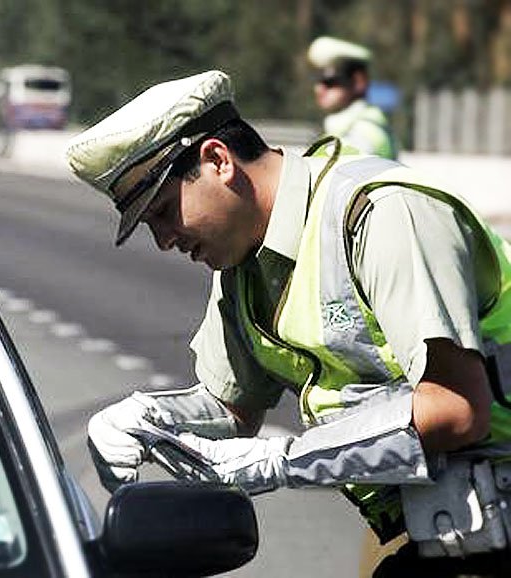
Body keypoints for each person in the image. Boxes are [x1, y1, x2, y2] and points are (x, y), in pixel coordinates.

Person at [66, 70, 511, 575]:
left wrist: (282, 460)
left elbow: (455, 407)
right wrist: (149, 420)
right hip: (454, 531)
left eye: (165, 212)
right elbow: (233, 409)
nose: (165, 239)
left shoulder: (381, 214)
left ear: (217, 160)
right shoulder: (240, 258)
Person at [307, 35, 397, 159]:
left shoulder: (366, 133)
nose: (318, 89)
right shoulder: (342, 129)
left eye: (330, 81)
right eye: (317, 81)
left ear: (359, 81)